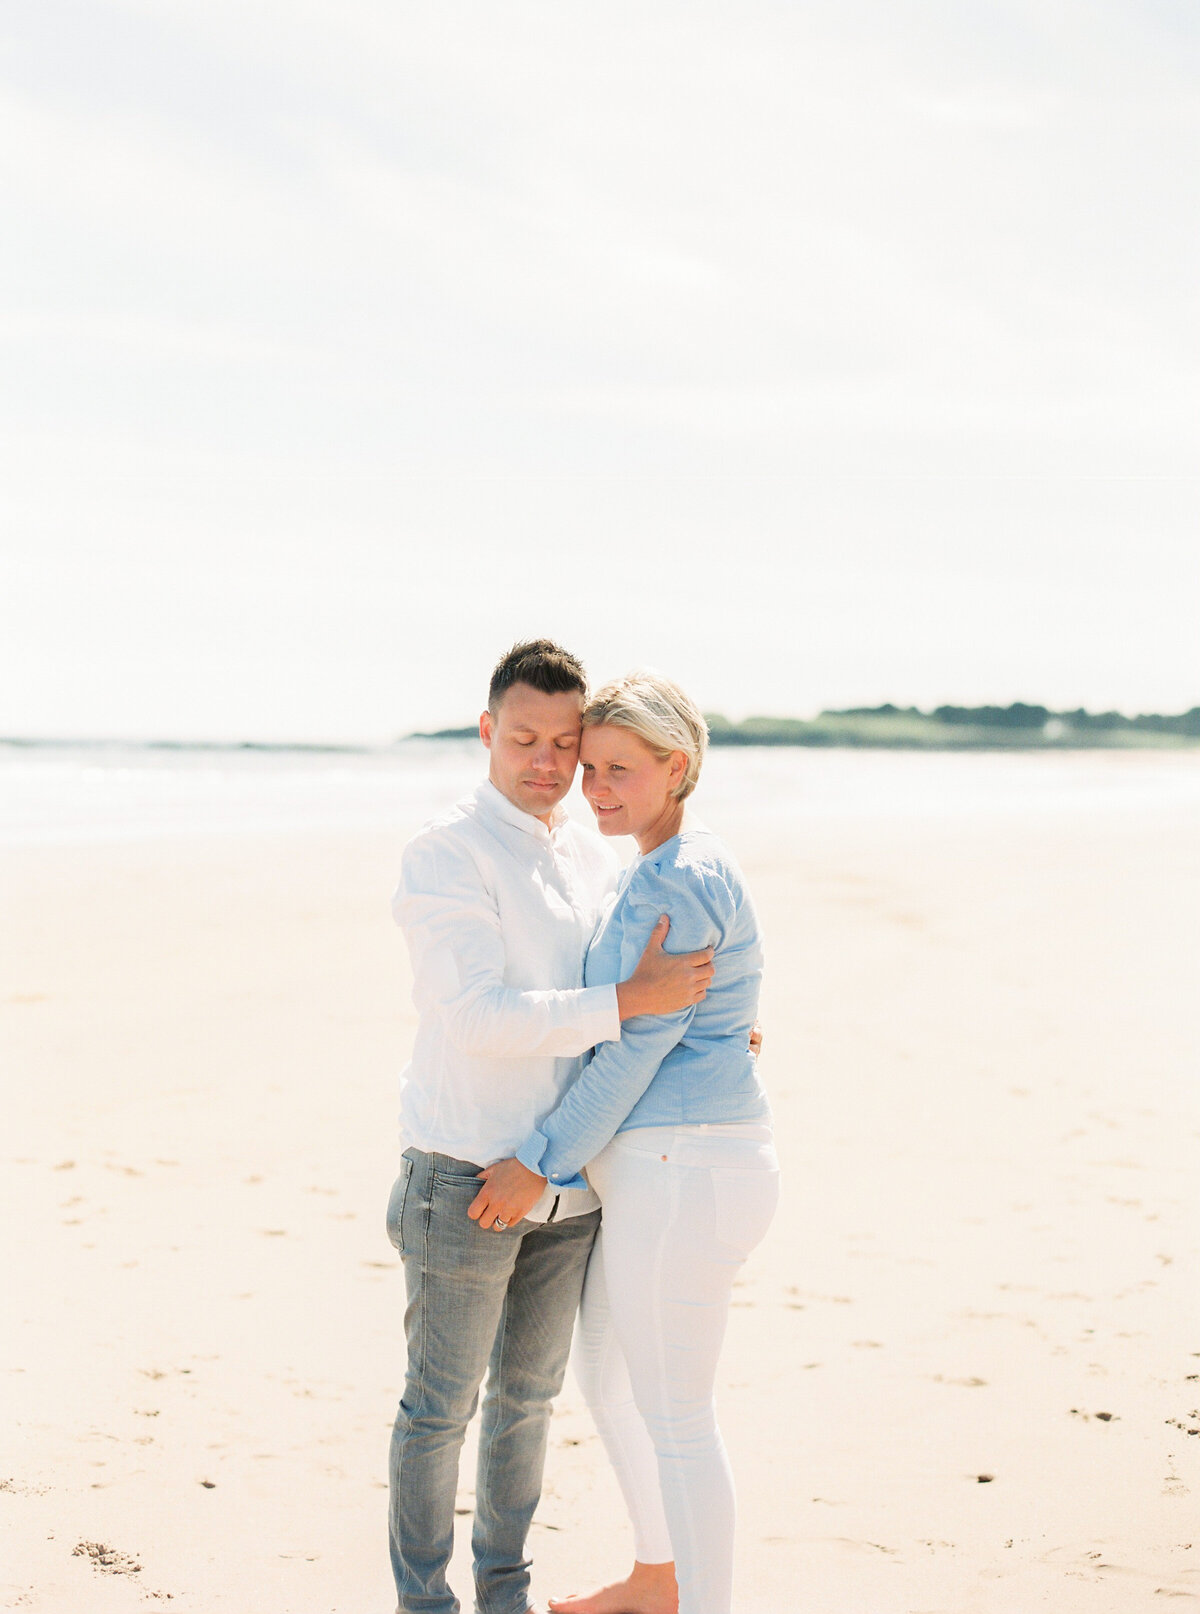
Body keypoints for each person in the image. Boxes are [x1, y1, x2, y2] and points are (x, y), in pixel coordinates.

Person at [387, 640, 717, 1614]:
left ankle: (503, 1593)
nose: (544, 760)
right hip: (465, 1179)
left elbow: (638, 986)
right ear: (487, 733)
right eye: (523, 737)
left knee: (527, 1408)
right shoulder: (444, 853)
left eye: (563, 743)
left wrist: (705, 1020)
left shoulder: (585, 847)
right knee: (441, 1411)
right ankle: (425, 1602)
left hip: (566, 1183)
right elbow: (481, 1016)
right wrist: (627, 1001)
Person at [468, 671, 778, 1614]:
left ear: (675, 767)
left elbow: (631, 1055)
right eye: (588, 765)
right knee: (610, 1379)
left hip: (684, 1170)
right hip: (678, 1167)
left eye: (618, 769)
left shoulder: (675, 876)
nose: (592, 785)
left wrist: (537, 1163)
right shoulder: (670, 863)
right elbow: (692, 1013)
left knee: (679, 1417)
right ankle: (657, 1578)